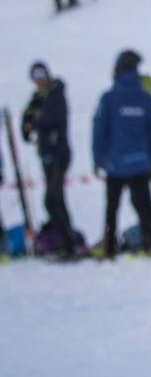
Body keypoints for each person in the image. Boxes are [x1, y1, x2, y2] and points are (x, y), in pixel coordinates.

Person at [92, 50, 151, 258]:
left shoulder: (109, 98)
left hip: (115, 165)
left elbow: (99, 130)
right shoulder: (145, 98)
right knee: (146, 209)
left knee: (112, 210)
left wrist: (98, 159)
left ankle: (108, 249)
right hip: (140, 163)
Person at [21, 61, 80, 257]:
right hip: (47, 154)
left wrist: (34, 123)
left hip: (57, 154)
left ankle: (67, 244)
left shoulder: (55, 94)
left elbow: (51, 119)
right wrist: (27, 125)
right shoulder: (39, 97)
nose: (39, 79)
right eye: (35, 75)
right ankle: (66, 240)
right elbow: (28, 118)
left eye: (41, 74)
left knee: (52, 200)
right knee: (57, 199)